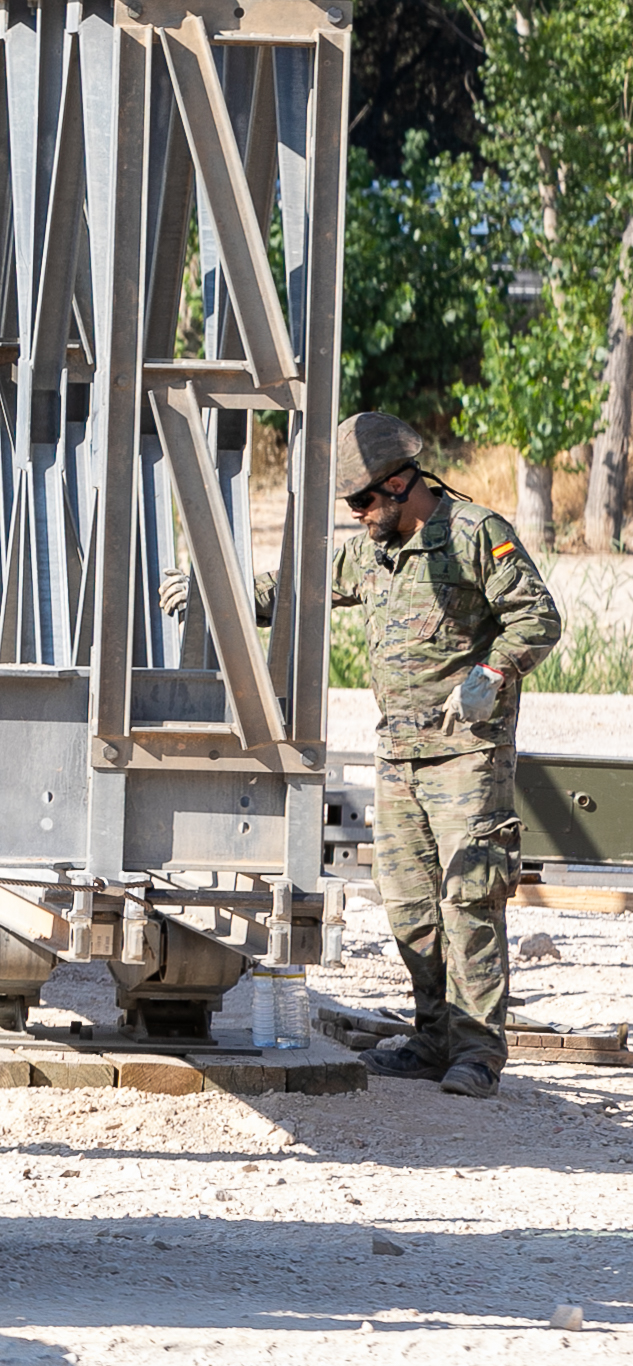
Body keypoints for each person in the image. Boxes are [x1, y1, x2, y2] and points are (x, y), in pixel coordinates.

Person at [158, 414, 558, 1096]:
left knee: (468, 896)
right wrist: (211, 593)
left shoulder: (471, 535)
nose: (357, 516)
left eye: (363, 502)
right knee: (408, 908)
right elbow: (294, 589)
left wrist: (489, 675)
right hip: (398, 753)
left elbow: (536, 617)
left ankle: (476, 1051)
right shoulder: (370, 552)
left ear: (400, 486)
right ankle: (433, 1036)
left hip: (465, 754)